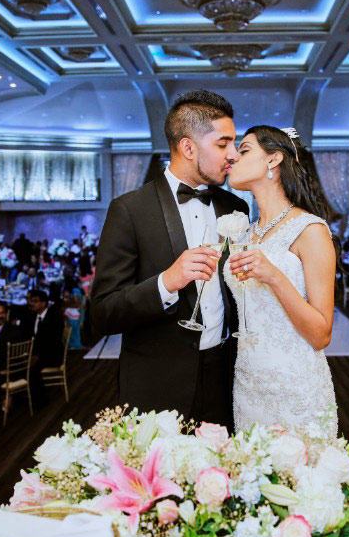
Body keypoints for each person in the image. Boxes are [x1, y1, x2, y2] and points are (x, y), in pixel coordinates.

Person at [89, 90, 249, 429]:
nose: (233, 154)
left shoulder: (235, 208)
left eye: (234, 144)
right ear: (188, 148)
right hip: (157, 385)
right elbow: (102, 313)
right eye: (223, 144)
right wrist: (166, 283)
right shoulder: (129, 210)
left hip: (225, 378)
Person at [223, 125, 338, 434]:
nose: (233, 157)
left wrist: (274, 277)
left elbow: (321, 335)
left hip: (295, 387)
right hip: (248, 384)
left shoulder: (309, 230)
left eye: (244, 150)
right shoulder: (245, 234)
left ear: (273, 159)